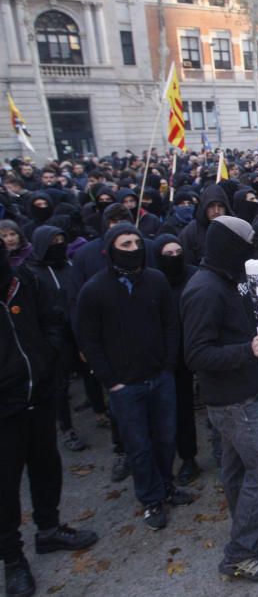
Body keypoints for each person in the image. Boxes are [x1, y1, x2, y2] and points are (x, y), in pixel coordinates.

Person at [181, 216, 258, 582]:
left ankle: (251, 525)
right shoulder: (205, 290)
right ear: (230, 249)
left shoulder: (227, 279)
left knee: (236, 470)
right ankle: (240, 554)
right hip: (233, 401)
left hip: (243, 392)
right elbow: (196, 355)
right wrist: (247, 350)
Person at [76, 224, 191, 531]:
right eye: (125, 244)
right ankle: (151, 499)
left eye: (137, 243)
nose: (133, 249)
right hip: (125, 386)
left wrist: (167, 364)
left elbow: (170, 324)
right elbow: (89, 340)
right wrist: (110, 380)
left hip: (160, 377)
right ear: (111, 249)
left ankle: (166, 485)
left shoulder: (156, 280)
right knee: (139, 446)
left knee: (166, 439)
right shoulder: (95, 289)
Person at [2, 246, 99, 597]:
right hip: (4, 408)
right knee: (5, 486)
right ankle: (12, 559)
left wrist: (48, 359)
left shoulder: (21, 279)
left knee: (46, 466)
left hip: (38, 393)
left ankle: (49, 527)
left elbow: (51, 318)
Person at [23, 226, 87, 452]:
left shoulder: (71, 265)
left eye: (61, 240)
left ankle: (99, 409)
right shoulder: (32, 273)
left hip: (78, 328)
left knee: (89, 371)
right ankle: (66, 427)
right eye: (52, 242)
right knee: (60, 383)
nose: (58, 245)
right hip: (55, 336)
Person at [153, 235, 201, 486]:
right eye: (168, 254)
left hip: (200, 346)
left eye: (178, 252)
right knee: (181, 409)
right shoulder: (153, 281)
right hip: (171, 354)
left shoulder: (194, 275)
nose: (174, 258)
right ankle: (188, 457)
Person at [179, 184, 232, 266]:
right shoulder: (191, 231)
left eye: (220, 206)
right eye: (211, 206)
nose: (216, 211)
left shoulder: (233, 228)